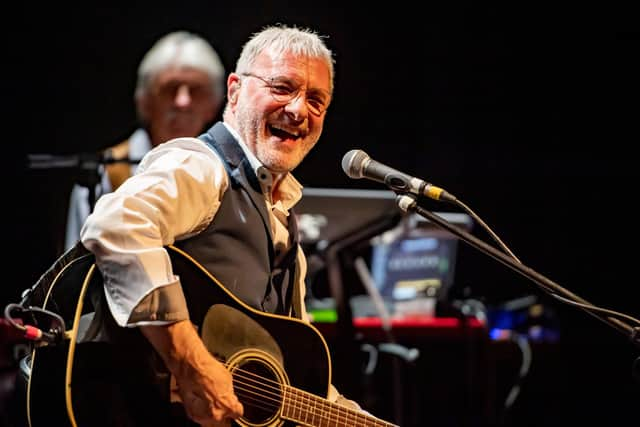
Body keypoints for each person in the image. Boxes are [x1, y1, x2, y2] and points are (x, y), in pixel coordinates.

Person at [79, 24, 384, 426]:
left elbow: (304, 384)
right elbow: (116, 226)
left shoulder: (284, 219)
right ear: (235, 90)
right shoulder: (201, 165)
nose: (298, 110)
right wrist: (190, 363)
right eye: (281, 87)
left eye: (316, 100)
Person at [64, 30, 226, 251]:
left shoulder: (225, 172)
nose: (183, 102)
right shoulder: (106, 172)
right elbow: (73, 270)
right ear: (145, 101)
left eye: (196, 91)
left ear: (213, 106)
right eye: (170, 89)